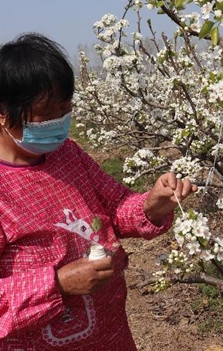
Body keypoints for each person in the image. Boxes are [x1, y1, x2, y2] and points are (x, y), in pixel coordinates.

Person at [0, 33, 197, 350]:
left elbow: (115, 208)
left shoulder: (67, 155)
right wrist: (58, 284)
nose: (59, 122)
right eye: (47, 113)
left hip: (110, 336)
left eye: (65, 109)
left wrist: (151, 206)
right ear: (4, 112)